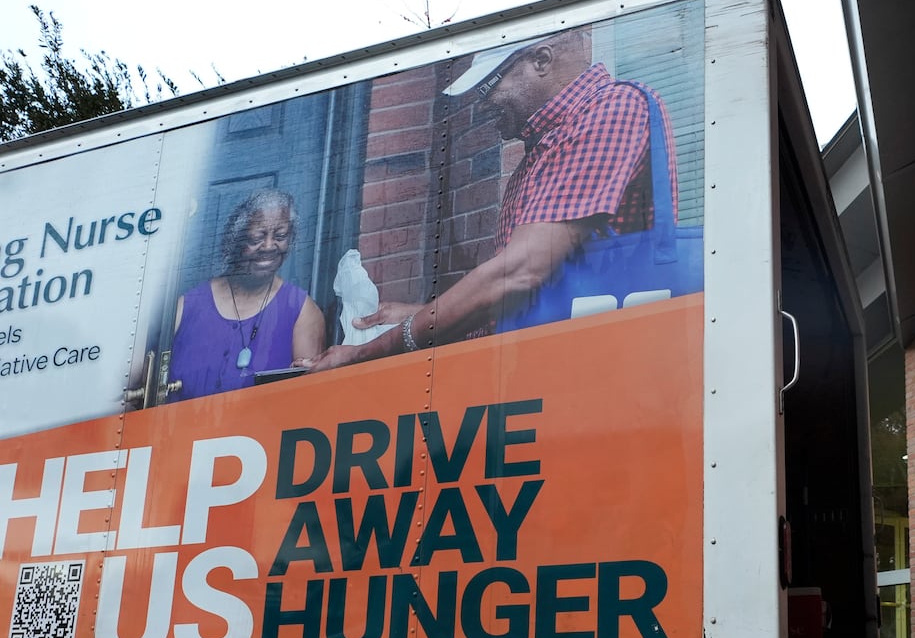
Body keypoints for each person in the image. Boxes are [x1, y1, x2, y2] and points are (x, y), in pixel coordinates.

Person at [306, 25, 676, 372]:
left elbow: (518, 273)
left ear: (541, 61)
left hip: (597, 371)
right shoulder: (541, 151)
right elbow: (518, 301)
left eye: (488, 88)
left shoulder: (611, 109)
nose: (483, 106)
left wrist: (373, 350)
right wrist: (420, 315)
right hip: (551, 367)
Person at [168, 188, 326, 400]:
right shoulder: (188, 305)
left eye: (280, 236)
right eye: (257, 237)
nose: (269, 246)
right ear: (237, 238)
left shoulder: (302, 311)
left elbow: (308, 400)